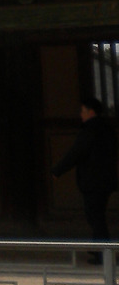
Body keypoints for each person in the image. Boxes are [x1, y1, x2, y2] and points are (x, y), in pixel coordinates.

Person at [52, 94, 118, 245]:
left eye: (83, 111)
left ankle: (102, 251)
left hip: (93, 181)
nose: (81, 114)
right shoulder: (107, 130)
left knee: (95, 217)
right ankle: (99, 249)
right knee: (97, 215)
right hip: (105, 180)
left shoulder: (90, 130)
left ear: (91, 112)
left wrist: (57, 170)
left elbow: (76, 153)